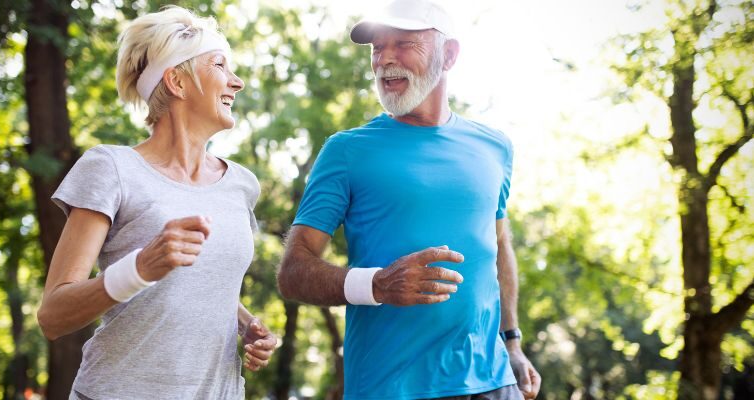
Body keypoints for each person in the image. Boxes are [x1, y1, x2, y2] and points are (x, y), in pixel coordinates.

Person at [276, 0, 541, 399]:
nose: (384, 60)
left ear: (449, 55)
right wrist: (377, 284)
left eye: (402, 43)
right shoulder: (347, 151)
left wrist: (513, 343)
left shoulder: (495, 147)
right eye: (376, 48)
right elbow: (292, 272)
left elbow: (498, 244)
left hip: (493, 381)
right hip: (391, 386)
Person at [36, 6, 276, 399]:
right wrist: (141, 267)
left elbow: (203, 288)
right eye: (220, 65)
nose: (238, 82)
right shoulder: (112, 168)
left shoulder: (241, 184)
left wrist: (246, 325)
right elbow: (53, 317)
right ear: (177, 82)